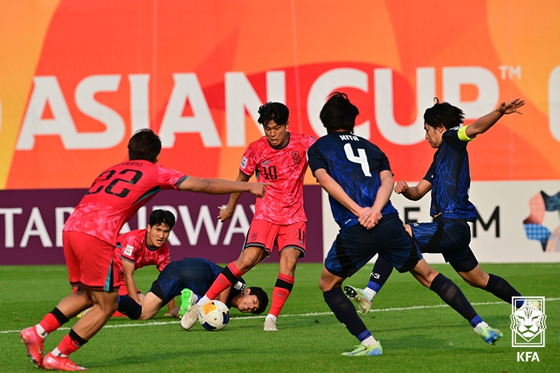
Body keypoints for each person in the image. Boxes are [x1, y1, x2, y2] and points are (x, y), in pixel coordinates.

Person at [20, 128, 269, 371]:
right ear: (157, 156)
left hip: (71, 228)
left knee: (86, 295)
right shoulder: (153, 172)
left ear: (129, 152)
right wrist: (247, 187)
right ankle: (58, 355)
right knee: (106, 306)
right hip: (97, 235)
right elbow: (203, 184)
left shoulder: (111, 170)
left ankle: (37, 332)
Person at [306, 92, 503, 357]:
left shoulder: (319, 147)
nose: (425, 135)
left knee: (328, 285)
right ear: (353, 121)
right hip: (388, 222)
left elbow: (327, 181)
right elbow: (387, 180)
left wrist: (361, 212)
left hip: (358, 227)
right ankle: (481, 326)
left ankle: (369, 343)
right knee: (429, 275)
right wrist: (376, 210)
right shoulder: (372, 148)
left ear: (324, 120)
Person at [344, 98, 528, 315]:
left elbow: (477, 127)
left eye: (427, 130)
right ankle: (528, 308)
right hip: (449, 229)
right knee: (478, 279)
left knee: (396, 235)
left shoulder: (452, 138)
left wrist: (499, 111)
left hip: (452, 226)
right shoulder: (439, 157)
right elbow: (419, 192)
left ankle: (369, 293)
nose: (425, 136)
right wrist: (405, 189)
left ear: (440, 128)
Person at [180, 102, 316, 332]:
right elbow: (240, 180)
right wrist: (231, 207)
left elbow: (329, 153)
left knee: (289, 263)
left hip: (294, 216)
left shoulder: (304, 143)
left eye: (277, 127)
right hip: (266, 214)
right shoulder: (256, 149)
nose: (272, 133)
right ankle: (201, 305)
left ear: (286, 125)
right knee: (246, 261)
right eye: (267, 128)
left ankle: (271, 318)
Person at [116, 257, 268, 321]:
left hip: (174, 272)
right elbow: (226, 278)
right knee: (209, 300)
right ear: (247, 292)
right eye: (253, 301)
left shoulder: (227, 303)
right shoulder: (240, 284)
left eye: (254, 309)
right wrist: (221, 308)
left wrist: (179, 312)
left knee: (143, 313)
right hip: (197, 271)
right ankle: (194, 299)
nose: (251, 307)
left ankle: (112, 300)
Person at [114, 209, 176, 316]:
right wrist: (135, 305)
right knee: (134, 308)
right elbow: (128, 274)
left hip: (120, 279)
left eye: (166, 231)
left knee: (143, 304)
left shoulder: (164, 252)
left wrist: (171, 310)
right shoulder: (133, 240)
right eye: (158, 230)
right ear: (148, 228)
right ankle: (91, 302)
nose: (161, 236)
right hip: (103, 272)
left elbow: (168, 280)